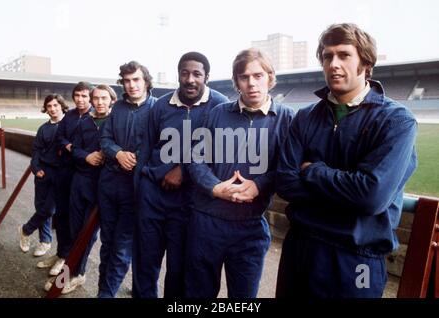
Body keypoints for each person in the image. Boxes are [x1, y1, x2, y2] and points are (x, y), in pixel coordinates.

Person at [275, 23, 418, 298]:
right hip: (301, 250)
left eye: (343, 55)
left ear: (365, 62)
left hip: (356, 258)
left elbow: (370, 196)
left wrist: (313, 171)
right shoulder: (304, 117)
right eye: (327, 56)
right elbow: (285, 181)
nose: (333, 64)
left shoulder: (396, 120)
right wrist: (346, 193)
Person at [185, 48, 294, 298]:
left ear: (269, 77)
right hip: (206, 221)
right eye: (244, 77)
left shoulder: (287, 119)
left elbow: (288, 167)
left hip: (250, 226)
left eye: (258, 75)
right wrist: (214, 187)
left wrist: (259, 185)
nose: (251, 83)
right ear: (236, 82)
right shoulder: (217, 113)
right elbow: (195, 158)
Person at [135, 52, 229, 298]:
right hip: (152, 196)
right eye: (184, 73)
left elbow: (217, 150)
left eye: (197, 74)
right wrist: (139, 191)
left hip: (189, 201)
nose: (190, 79)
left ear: (206, 76)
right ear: (178, 75)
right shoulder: (161, 105)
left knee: (179, 268)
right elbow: (146, 148)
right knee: (145, 262)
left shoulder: (220, 104)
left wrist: (183, 169)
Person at [45, 85, 117, 294]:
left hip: (100, 184)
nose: (100, 102)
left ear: (112, 100)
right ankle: (72, 271)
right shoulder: (84, 121)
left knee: (88, 233)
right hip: (79, 180)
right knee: (75, 230)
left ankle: (76, 274)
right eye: (96, 98)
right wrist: (86, 156)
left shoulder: (115, 121)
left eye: (104, 98)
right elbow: (72, 148)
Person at [98, 61, 156, 298]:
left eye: (136, 80)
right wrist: (118, 153)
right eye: (127, 81)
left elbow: (159, 146)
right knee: (107, 244)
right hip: (109, 185)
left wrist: (136, 158)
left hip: (137, 188)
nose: (131, 85)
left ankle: (106, 294)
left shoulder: (157, 108)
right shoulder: (117, 108)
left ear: (146, 81)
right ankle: (104, 288)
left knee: (122, 248)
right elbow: (105, 140)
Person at [37, 82, 93, 279]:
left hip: (81, 175)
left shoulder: (94, 116)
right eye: (77, 95)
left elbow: (89, 147)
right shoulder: (69, 116)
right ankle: (60, 254)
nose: (80, 99)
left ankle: (68, 259)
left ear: (91, 97)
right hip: (63, 172)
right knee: (60, 217)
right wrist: (70, 146)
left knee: (74, 221)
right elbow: (61, 138)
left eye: (84, 96)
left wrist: (72, 148)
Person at [19, 94, 68, 256]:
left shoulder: (70, 124)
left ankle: (26, 230)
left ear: (61, 105)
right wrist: (36, 168)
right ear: (46, 109)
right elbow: (36, 151)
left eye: (55, 105)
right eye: (49, 106)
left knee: (48, 209)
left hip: (60, 174)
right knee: (41, 207)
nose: (53, 109)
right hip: (42, 173)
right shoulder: (43, 128)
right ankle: (45, 241)